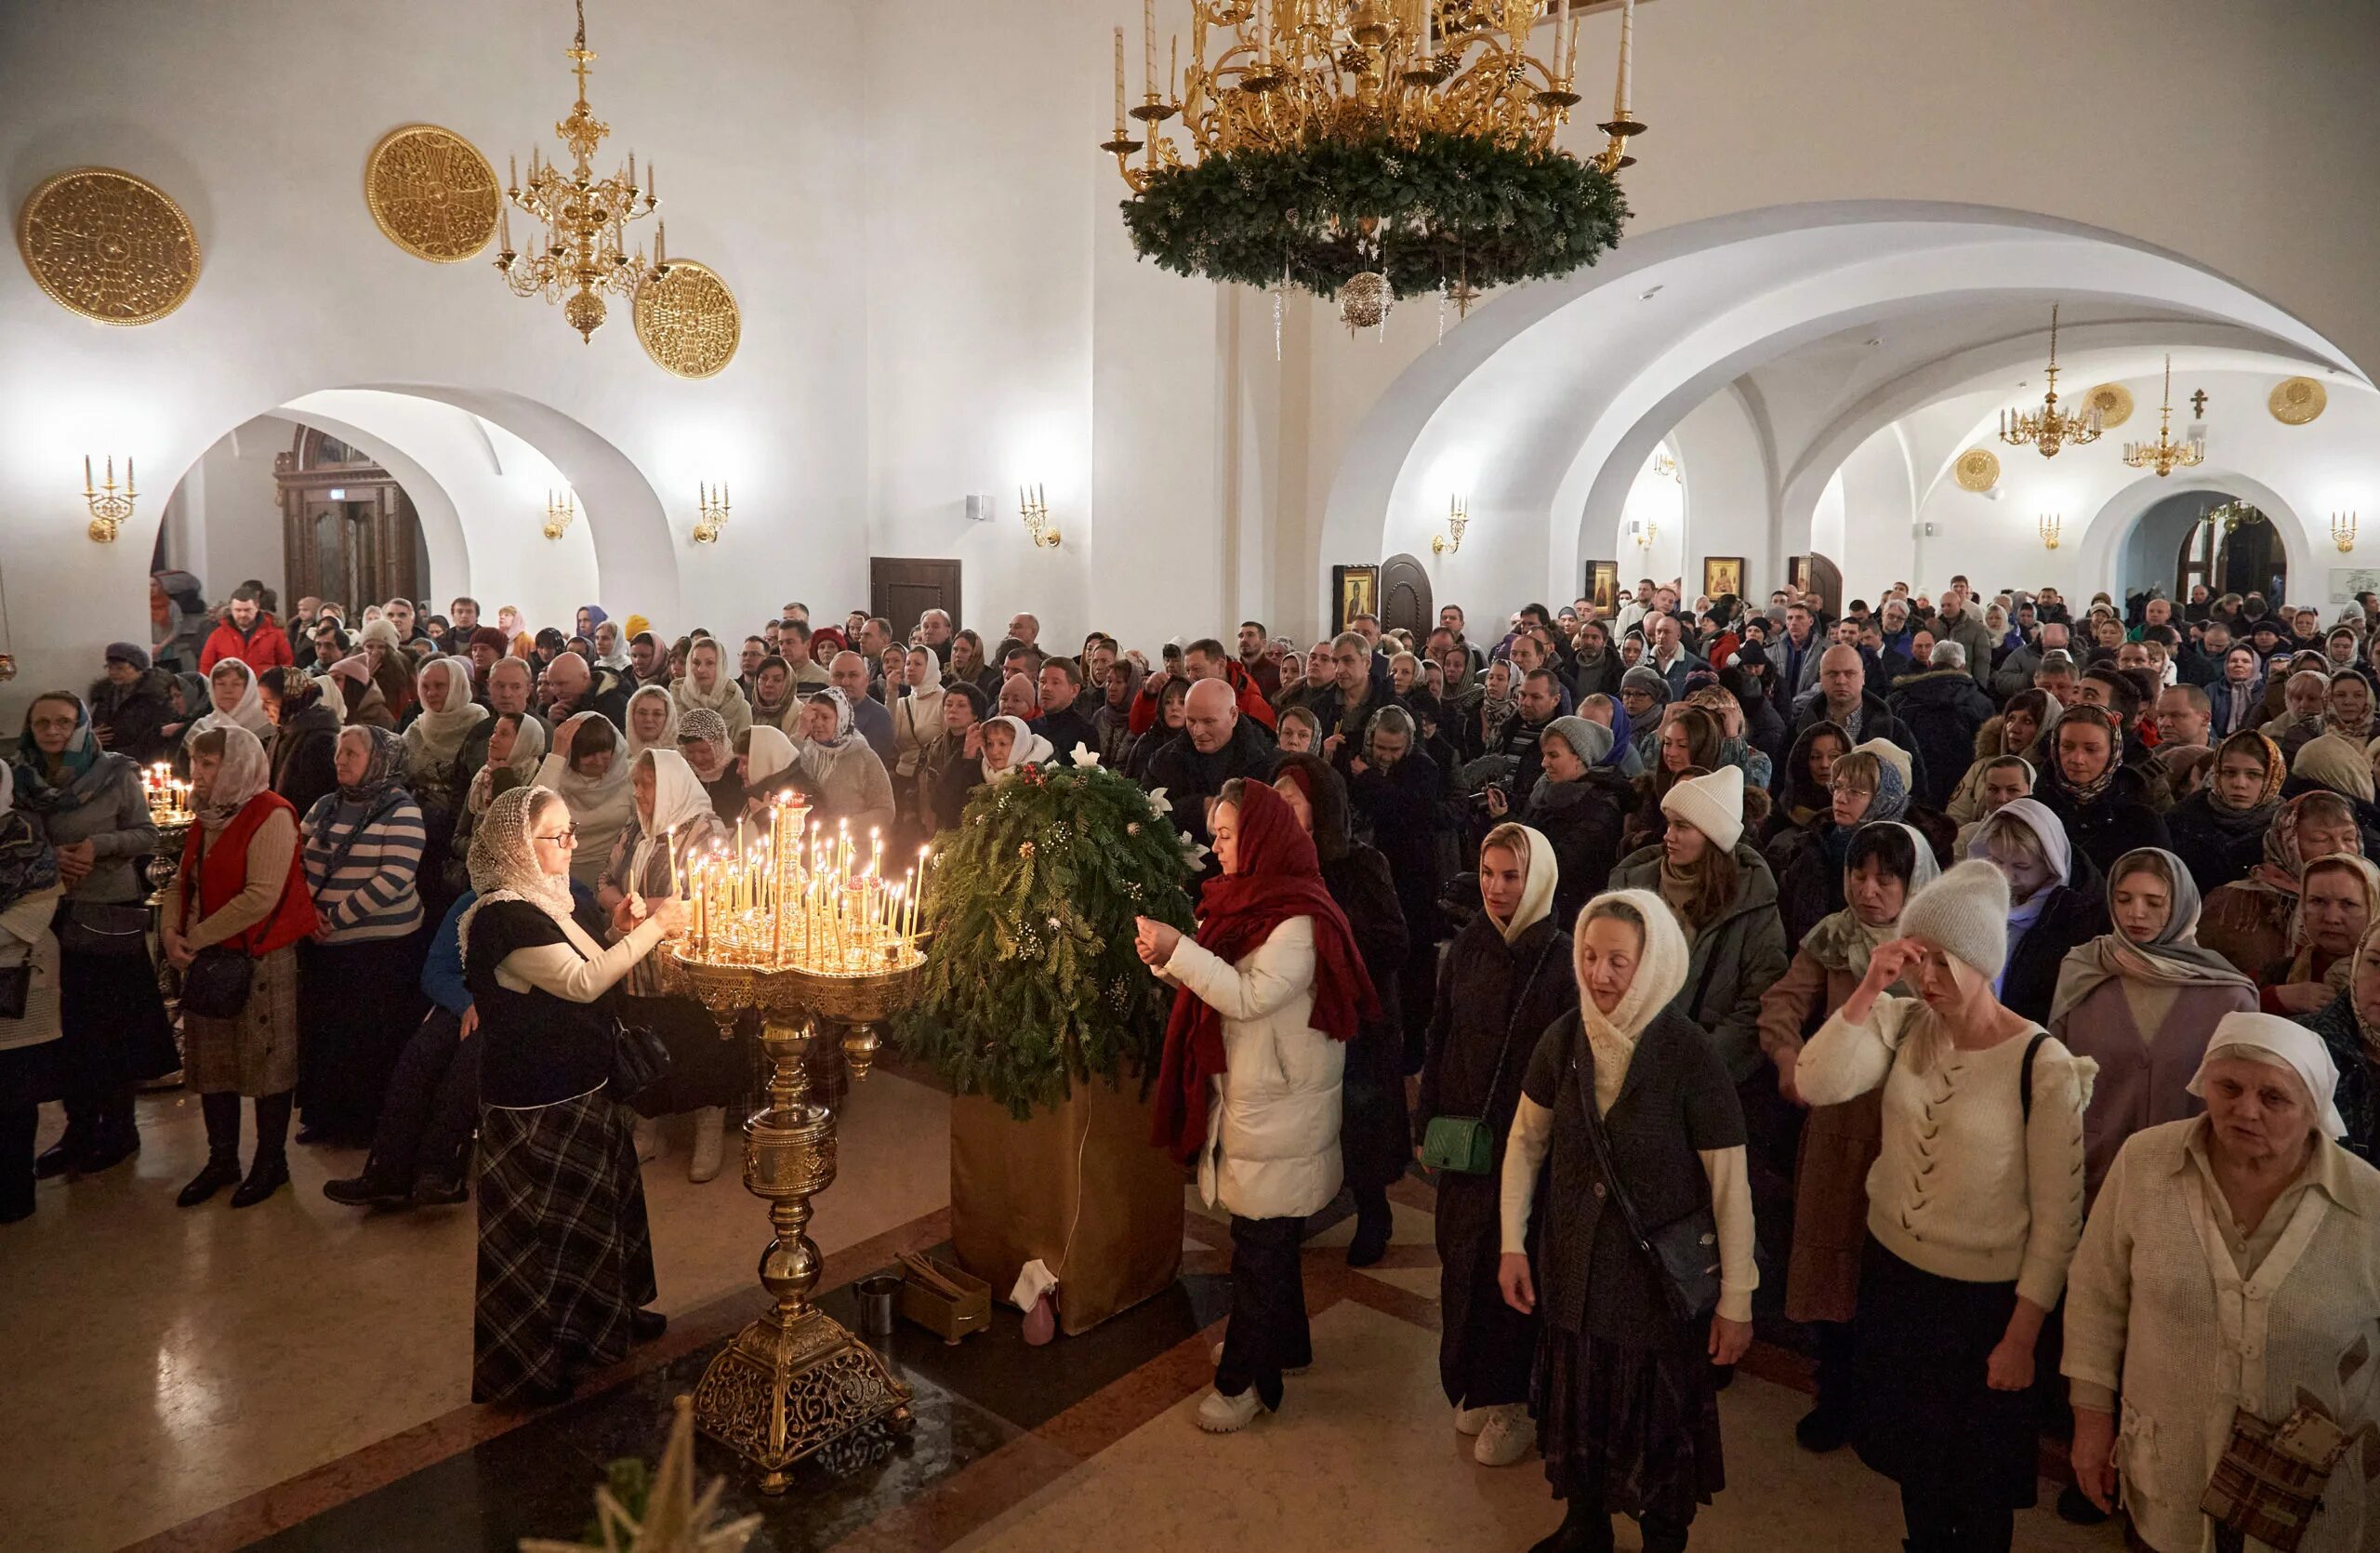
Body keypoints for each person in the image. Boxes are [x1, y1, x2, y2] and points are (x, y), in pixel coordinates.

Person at [1796, 860, 2096, 1553]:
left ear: (1982, 961)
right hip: (1897, 1278)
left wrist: (2021, 1337)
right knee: (1914, 1459)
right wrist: (1870, 987)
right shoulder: (1902, 1022)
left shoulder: (2041, 1064)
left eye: (1943, 961)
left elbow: (2059, 1221)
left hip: (1983, 1303)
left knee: (1979, 1477)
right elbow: (1815, 1082)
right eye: (1917, 957)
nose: (1925, 978)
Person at [1499, 889, 1756, 1553]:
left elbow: (1730, 1188)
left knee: (1657, 1426)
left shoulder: (1689, 1055)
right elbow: (1525, 1143)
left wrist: (1737, 1300)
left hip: (1653, 1297)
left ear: (1654, 962)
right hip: (1575, 1276)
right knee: (1579, 1405)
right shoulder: (1565, 1038)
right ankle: (1585, 1526)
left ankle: (1662, 1539)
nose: (1599, 974)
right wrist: (1511, 1244)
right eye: (1589, 955)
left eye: (1619, 960)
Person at [2063, 1014, 2380, 1553]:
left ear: (2314, 1109)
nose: (2246, 1110)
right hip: (2171, 1469)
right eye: (2229, 1087)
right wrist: (2091, 1421)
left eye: (2274, 1097)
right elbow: (2096, 1296)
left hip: (2310, 1495)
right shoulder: (2145, 1163)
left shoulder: (2367, 1204)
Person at [1139, 778, 1376, 1433]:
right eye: (1214, 834)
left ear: (1264, 837)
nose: (1215, 848)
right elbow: (1220, 974)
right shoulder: (1246, 899)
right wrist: (1170, 958)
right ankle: (1286, 1343)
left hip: (1281, 1105)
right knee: (1270, 1236)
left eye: (1226, 835)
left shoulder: (1297, 916)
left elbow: (1247, 997)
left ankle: (1246, 1381)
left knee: (1259, 1245)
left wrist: (1179, 951)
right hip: (1260, 1094)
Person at [464, 785, 683, 1404]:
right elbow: (583, 983)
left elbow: (586, 961)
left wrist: (618, 930)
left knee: (596, 1220)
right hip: (538, 1106)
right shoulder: (504, 917)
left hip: (583, 1090)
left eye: (571, 831)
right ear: (517, 845)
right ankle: (540, 1361)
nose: (570, 843)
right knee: (549, 1236)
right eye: (556, 835)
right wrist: (657, 928)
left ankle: (607, 1321)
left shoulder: (552, 900)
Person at [1756, 820, 1939, 1453]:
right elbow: (1781, 1004)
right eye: (1859, 875)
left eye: (1886, 879)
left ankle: (1889, 1400)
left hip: (1910, 1128)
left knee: (1894, 1266)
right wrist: (1789, 1058)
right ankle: (1834, 1392)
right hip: (1838, 1125)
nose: (1868, 890)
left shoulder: (1937, 949)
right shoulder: (1833, 938)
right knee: (1833, 1260)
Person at [1416, 822, 1577, 1467]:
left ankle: (1515, 1400)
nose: (1496, 888)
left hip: (1529, 1147)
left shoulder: (1561, 959)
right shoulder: (1469, 946)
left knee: (1513, 1269)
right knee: (1464, 1263)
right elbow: (1440, 1034)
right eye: (1487, 873)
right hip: (1468, 1140)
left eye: (1512, 875)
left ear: (1537, 879)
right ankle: (1476, 1382)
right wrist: (1426, 1121)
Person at [12, 692, 179, 1177]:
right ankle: (79, 1128)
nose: (53, 731)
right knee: (65, 1027)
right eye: (42, 723)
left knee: (111, 1025)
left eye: (63, 722)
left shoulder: (114, 772)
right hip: (44, 912)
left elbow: (146, 834)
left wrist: (96, 845)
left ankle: (120, 1128)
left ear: (82, 726)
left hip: (105, 911)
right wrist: (48, 856)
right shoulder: (20, 777)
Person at [162, 727, 319, 1208]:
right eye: (196, 762)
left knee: (266, 1062)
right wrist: (169, 933)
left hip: (260, 957)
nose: (198, 773)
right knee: (213, 1062)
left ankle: (271, 1162)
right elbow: (181, 881)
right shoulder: (208, 815)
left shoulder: (271, 813)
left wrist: (194, 937)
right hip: (209, 957)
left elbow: (260, 897)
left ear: (236, 766)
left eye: (209, 764)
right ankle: (222, 1159)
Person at [2049, 847, 2257, 1202]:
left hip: (2187, 1183)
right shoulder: (2085, 971)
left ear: (2181, 905)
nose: (2136, 913)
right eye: (2123, 899)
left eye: (2154, 902)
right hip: (2090, 1177)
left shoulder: (2228, 994)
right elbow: (2056, 1077)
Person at [1273, 755, 1409, 1269]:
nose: (1281, 810)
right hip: (1296, 1016)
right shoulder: (1272, 864)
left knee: (1359, 1120)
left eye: (1291, 801)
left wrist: (1330, 940)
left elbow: (1394, 942)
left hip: (1358, 1021)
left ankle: (1373, 1212)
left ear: (1321, 808)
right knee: (1304, 1121)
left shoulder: (1360, 864)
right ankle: (1300, 1205)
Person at [601, 749, 740, 1180]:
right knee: (645, 1041)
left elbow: (713, 894)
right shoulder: (636, 828)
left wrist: (643, 909)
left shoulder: (705, 829)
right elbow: (605, 880)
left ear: (672, 786)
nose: (638, 793)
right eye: (636, 784)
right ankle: (649, 1127)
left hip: (687, 963)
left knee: (696, 1044)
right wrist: (625, 907)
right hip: (637, 960)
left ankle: (708, 1131)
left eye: (647, 784)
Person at [297, 724, 429, 1146]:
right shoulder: (325, 806)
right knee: (327, 1034)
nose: (341, 760)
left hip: (381, 949)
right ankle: (325, 1117)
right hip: (323, 943)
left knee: (368, 1039)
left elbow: (394, 877)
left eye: (352, 753)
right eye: (340, 752)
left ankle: (366, 1125)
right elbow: (296, 860)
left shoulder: (402, 810)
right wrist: (307, 913)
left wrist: (333, 919)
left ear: (379, 760)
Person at [1487, 716, 1634, 926]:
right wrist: (1504, 819)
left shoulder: (1600, 807)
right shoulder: (1544, 792)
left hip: (1568, 913)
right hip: (1536, 903)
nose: (1544, 763)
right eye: (1544, 755)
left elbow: (1561, 864)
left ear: (1579, 758)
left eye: (1553, 755)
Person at [0, 764, 62, 1223]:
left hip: (16, 974)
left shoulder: (23, 836)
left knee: (13, 1093)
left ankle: (14, 1192)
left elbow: (35, 909)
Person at [2034, 706, 2170, 880]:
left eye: (2091, 749)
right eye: (2067, 747)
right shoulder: (2032, 811)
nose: (2077, 759)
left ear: (2113, 751)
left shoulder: (2142, 821)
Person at [2257, 853, 2380, 1015]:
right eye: (2318, 901)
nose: (2331, 918)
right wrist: (2274, 999)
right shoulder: (2279, 972)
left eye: (2348, 904)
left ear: (2374, 909)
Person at [2165, 728, 2285, 890]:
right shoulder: (2181, 819)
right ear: (2217, 774)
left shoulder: (2286, 827)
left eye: (2254, 775)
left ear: (2272, 778)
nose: (2239, 784)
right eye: (2229, 773)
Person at [1886, 640, 1995, 808]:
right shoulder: (1981, 703)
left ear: (1930, 664)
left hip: (1911, 791)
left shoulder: (1900, 699)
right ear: (1962, 666)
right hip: (1963, 792)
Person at [535, 713, 632, 890]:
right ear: (572, 753)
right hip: (559, 875)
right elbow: (533, 807)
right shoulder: (555, 775)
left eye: (604, 751)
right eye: (588, 754)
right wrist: (557, 754)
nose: (598, 761)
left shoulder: (628, 777)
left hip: (611, 877)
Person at [790, 688, 897, 841]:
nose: (818, 723)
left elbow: (885, 811)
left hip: (851, 846)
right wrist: (801, 732)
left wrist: (840, 828)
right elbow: (787, 772)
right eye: (813, 718)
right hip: (809, 844)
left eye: (825, 717)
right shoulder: (806, 750)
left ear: (841, 719)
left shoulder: (864, 757)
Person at [1944, 688, 2055, 826]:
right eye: (2011, 719)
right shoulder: (1983, 766)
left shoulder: (2052, 775)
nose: (2014, 728)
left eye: (2027, 721)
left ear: (2045, 727)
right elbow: (1956, 817)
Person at [87, 643, 180, 766]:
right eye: (109, 668)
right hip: (109, 760)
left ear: (138, 668)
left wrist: (114, 755)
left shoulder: (157, 697)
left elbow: (156, 739)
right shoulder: (105, 694)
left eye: (120, 668)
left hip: (141, 762)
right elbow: (99, 726)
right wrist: (91, 738)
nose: (113, 673)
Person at [668, 637, 752, 747]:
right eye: (696, 663)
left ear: (721, 666)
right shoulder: (675, 701)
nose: (701, 669)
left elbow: (742, 752)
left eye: (709, 663)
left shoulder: (739, 707)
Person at [198, 584, 295, 673]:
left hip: (264, 685)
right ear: (231, 609)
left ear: (257, 607)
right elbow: (206, 667)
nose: (243, 614)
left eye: (247, 610)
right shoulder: (218, 635)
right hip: (231, 685)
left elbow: (286, 665)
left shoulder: (274, 633)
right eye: (238, 610)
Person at [622, 684, 680, 763]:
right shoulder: (617, 757)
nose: (648, 719)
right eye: (642, 713)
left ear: (669, 718)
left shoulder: (682, 759)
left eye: (657, 714)